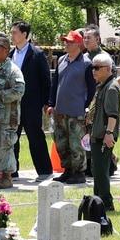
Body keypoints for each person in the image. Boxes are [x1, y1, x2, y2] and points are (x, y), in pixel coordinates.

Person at [47, 30, 94, 184]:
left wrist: (85, 107)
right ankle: (67, 170)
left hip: (76, 112)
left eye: (69, 41)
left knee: (76, 144)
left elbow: (92, 89)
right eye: (65, 41)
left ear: (78, 44)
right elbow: (55, 84)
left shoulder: (87, 64)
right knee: (61, 142)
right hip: (59, 110)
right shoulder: (61, 60)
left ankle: (79, 172)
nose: (65, 44)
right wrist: (51, 104)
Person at [11, 21, 51, 179]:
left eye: (15, 32)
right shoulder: (10, 54)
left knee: (35, 137)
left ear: (24, 34)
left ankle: (45, 171)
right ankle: (12, 171)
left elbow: (46, 80)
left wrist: (46, 102)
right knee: (12, 137)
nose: (12, 35)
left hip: (31, 104)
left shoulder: (37, 54)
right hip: (13, 104)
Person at [0, 36, 23, 190]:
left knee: (5, 146)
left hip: (8, 118)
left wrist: (0, 95)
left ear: (6, 51)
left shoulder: (13, 70)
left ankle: (7, 177)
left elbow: (19, 90)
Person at [87, 52, 120, 212]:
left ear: (107, 69)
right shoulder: (102, 85)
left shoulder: (111, 87)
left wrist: (109, 134)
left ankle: (106, 204)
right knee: (97, 170)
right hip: (97, 134)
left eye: (97, 68)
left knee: (101, 172)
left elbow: (112, 114)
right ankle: (97, 202)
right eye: (92, 67)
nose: (93, 70)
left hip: (103, 136)